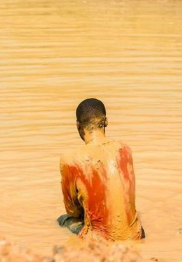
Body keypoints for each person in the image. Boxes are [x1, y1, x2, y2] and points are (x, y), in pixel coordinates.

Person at [57, 98, 145, 240]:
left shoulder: (71, 160)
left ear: (78, 126)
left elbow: (72, 211)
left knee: (63, 220)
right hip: (137, 234)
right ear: (106, 122)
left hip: (101, 240)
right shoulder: (124, 149)